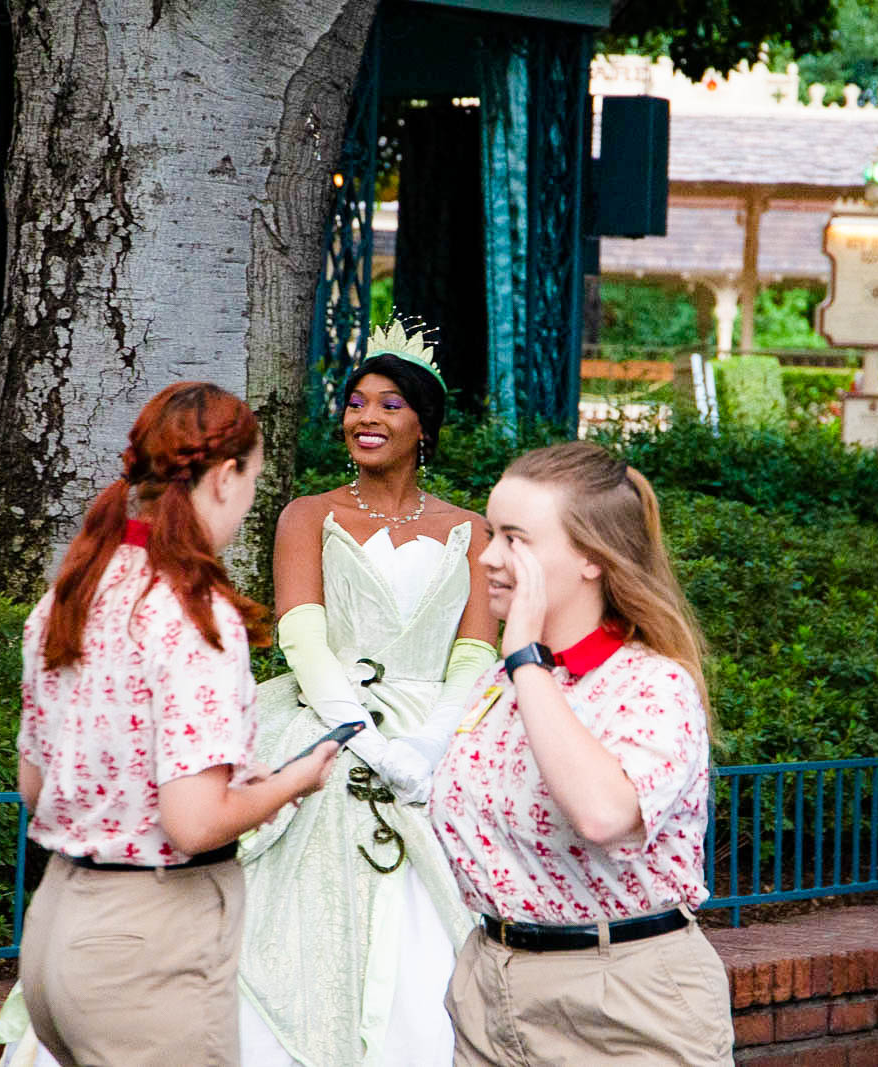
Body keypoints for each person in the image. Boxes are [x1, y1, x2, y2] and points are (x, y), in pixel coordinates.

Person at [16, 381, 339, 1067]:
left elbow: (37, 786)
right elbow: (192, 823)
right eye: (252, 480)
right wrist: (293, 780)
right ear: (225, 476)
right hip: (148, 944)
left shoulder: (72, 592)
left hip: (54, 927)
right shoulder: (195, 615)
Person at [237, 320, 497, 1067]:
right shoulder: (308, 515)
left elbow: (475, 652)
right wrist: (367, 743)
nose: (366, 417)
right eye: (355, 403)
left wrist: (427, 747)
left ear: (424, 426)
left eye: (389, 404)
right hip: (324, 725)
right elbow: (301, 636)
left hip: (436, 738)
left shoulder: (473, 530)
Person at [430, 441, 734, 1066]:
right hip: (490, 991)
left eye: (515, 539)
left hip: (623, 1005)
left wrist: (524, 659)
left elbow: (602, 814)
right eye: (490, 533)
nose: (487, 557)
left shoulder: (653, 685)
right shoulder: (501, 683)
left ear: (592, 558)